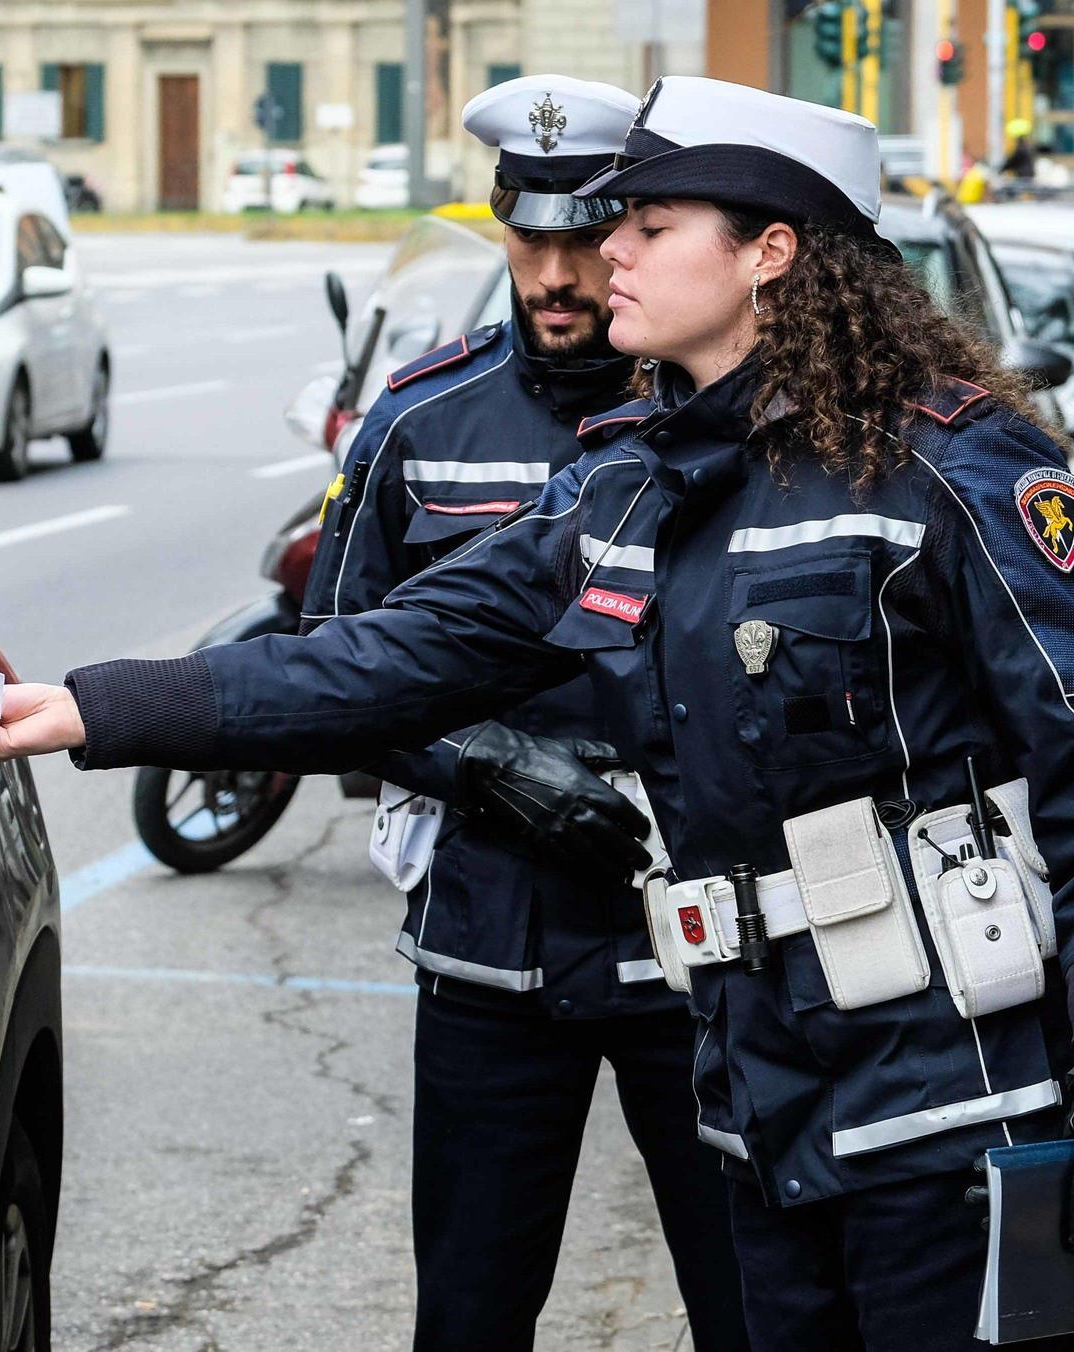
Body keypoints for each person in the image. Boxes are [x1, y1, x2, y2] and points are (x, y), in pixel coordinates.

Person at [0, 77, 1074, 1351]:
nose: (603, 249)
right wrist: (91, 704)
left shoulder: (946, 469)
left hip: (947, 1097)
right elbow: (386, 657)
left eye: (650, 225)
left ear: (768, 254)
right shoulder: (632, 481)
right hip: (756, 1088)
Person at [299, 74, 746, 1351]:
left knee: (758, 1308)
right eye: (526, 237)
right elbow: (330, 667)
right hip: (493, 944)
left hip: (702, 952)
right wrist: (478, 761)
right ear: (496, 226)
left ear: (629, 229)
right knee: (472, 1315)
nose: (555, 273)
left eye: (583, 236)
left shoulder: (728, 418)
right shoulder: (414, 420)